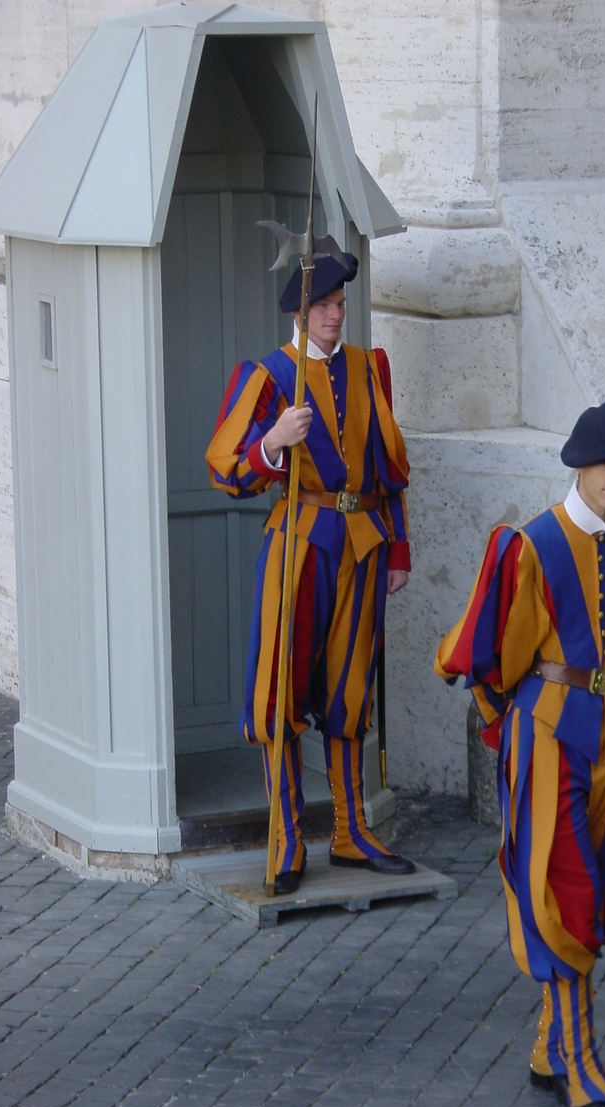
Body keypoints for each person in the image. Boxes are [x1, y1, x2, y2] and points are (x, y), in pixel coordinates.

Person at [435, 393, 605, 1107]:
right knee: (563, 891)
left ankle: (548, 1046)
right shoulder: (531, 546)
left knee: (602, 895)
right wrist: (497, 725)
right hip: (547, 740)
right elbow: (489, 654)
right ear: (579, 461)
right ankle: (583, 1068)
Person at [206, 252, 414, 894]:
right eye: (323, 306)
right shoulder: (269, 376)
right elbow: (224, 467)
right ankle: (287, 841)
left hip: (364, 546)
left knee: (351, 691)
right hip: (299, 544)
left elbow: (390, 469)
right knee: (281, 690)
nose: (334, 314)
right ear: (299, 313)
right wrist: (274, 440)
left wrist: (398, 550)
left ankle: (352, 833)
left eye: (340, 304)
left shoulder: (367, 367)